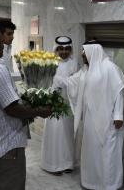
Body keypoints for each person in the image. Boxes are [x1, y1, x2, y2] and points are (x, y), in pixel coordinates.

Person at [0, 24, 53, 190]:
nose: (4, 45)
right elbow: (12, 109)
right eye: (1, 41)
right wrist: (41, 111)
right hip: (6, 146)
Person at [56, 41, 124, 190]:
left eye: (84, 52)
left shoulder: (110, 68)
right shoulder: (86, 70)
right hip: (90, 119)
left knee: (107, 153)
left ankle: (109, 184)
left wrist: (118, 115)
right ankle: (92, 182)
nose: (82, 55)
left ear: (93, 52)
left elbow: (119, 90)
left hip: (108, 120)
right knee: (92, 152)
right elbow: (72, 82)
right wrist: (55, 77)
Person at [41, 36, 78, 176]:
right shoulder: (49, 62)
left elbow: (76, 82)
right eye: (61, 49)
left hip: (68, 105)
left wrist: (67, 82)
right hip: (53, 104)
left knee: (68, 134)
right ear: (56, 49)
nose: (64, 52)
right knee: (55, 134)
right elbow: (46, 82)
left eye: (67, 49)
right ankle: (53, 165)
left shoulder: (74, 62)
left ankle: (67, 163)